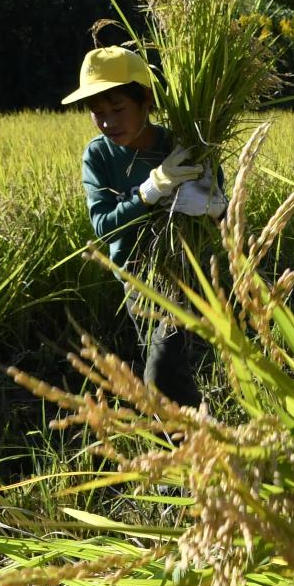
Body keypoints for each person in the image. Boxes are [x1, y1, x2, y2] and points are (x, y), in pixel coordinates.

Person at [67, 27, 226, 408]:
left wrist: (213, 205)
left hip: (192, 273)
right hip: (140, 278)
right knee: (164, 368)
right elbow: (104, 226)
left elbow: (223, 210)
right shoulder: (99, 157)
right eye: (96, 112)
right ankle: (198, 442)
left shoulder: (183, 144)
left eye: (118, 109)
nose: (107, 122)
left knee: (167, 370)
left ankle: (197, 446)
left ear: (146, 101)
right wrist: (148, 193)